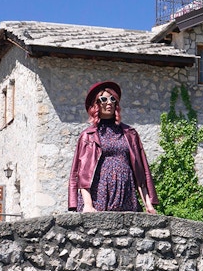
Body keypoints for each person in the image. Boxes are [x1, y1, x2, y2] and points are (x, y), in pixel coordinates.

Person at [68, 81, 158, 213]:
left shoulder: (130, 133)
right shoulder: (88, 136)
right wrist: (88, 205)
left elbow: (141, 172)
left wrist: (148, 204)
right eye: (103, 99)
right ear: (96, 104)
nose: (109, 102)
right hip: (98, 197)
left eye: (112, 99)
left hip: (126, 196)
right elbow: (82, 174)